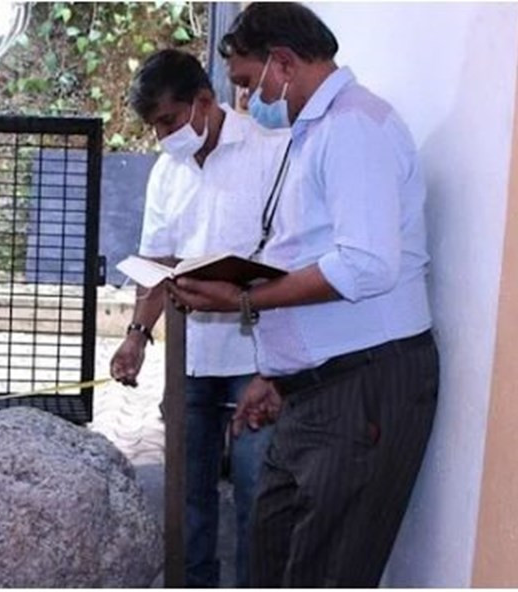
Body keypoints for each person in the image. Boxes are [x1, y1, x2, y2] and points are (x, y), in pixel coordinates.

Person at [168, 3, 439, 587]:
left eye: (248, 83)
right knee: (273, 562)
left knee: (325, 574)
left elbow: (365, 266)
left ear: (284, 63)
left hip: (362, 387)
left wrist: (243, 302)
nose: (247, 100)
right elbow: (309, 249)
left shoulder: (352, 127)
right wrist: (278, 374)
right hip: (317, 389)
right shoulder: (314, 129)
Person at [110, 49, 289, 587]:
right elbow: (157, 263)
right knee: (187, 496)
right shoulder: (167, 173)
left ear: (205, 101)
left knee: (256, 495)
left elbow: (292, 260)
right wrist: (136, 337)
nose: (164, 136)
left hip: (257, 360)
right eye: (154, 127)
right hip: (190, 360)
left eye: (169, 120)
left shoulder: (270, 153)